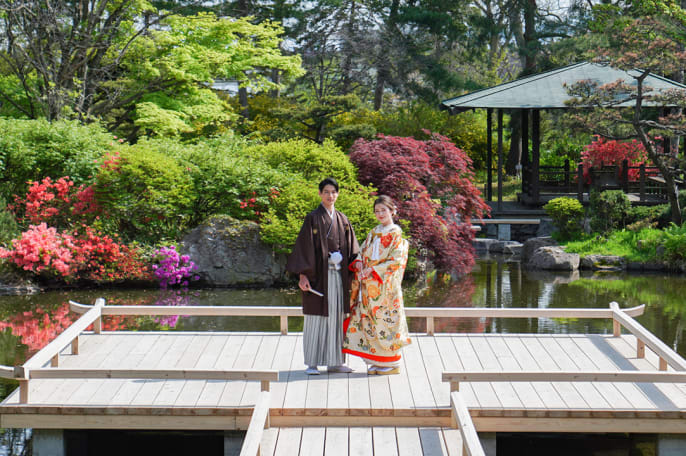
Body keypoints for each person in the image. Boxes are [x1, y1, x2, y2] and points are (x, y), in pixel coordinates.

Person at [286, 177, 360, 375]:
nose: (330, 195)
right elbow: (304, 248)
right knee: (315, 318)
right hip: (319, 278)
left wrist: (356, 263)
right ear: (320, 193)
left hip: (339, 277)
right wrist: (303, 275)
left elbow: (353, 250)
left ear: (338, 194)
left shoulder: (343, 220)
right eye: (326, 192)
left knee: (337, 316)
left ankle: (336, 361)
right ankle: (312, 362)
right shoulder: (313, 218)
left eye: (334, 192)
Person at [343, 195, 411, 375]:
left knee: (386, 321)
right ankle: (377, 361)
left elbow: (395, 260)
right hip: (368, 286)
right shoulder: (374, 232)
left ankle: (391, 362)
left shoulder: (396, 233)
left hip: (385, 287)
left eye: (384, 210)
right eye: (377, 211)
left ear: (392, 211)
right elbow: (363, 251)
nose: (380, 214)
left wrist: (373, 271)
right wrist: (358, 263)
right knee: (370, 321)